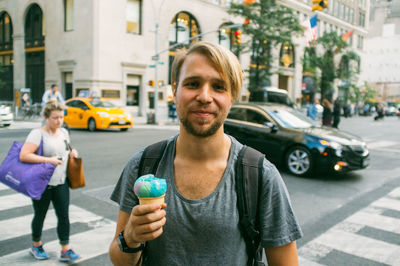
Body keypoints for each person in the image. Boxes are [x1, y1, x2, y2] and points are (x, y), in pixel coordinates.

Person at [109, 41, 303, 265]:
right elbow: (118, 259)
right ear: (175, 90)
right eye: (193, 83)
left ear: (232, 96)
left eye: (219, 87)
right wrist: (130, 237)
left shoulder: (261, 175)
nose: (204, 96)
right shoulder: (142, 165)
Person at [19, 101, 80, 262]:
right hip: (42, 183)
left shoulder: (64, 132)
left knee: (64, 216)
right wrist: (48, 160)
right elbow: (24, 155)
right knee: (40, 215)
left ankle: (65, 249)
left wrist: (72, 152)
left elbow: (66, 150)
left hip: (61, 182)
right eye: (55, 118)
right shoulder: (37, 134)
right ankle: (36, 244)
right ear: (46, 117)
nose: (59, 121)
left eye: (61, 117)